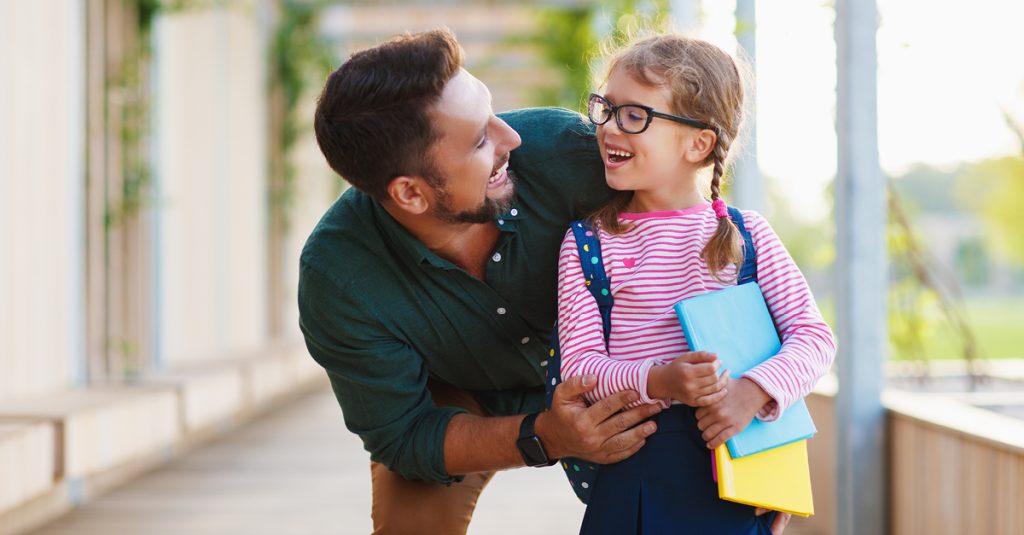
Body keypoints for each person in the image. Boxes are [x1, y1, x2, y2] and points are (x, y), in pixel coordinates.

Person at [299, 29, 667, 534]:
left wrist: (758, 454)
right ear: (410, 193)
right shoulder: (337, 279)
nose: (509, 138)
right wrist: (546, 434)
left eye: (492, 112)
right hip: (458, 394)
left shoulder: (565, 153)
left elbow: (709, 253)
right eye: (478, 140)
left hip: (622, 364)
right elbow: (404, 436)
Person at [556, 33, 837, 534]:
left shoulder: (748, 237)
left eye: (635, 116)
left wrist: (753, 393)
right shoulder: (588, 245)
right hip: (633, 474)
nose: (609, 129)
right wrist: (661, 381)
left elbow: (814, 339)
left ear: (698, 142)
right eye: (607, 108)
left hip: (734, 471)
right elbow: (580, 369)